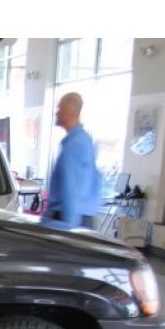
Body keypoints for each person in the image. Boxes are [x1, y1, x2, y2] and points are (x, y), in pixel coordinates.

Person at [45, 92, 102, 229]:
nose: (57, 113)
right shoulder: (85, 140)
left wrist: (69, 229)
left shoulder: (73, 145)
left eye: (59, 109)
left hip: (69, 218)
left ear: (68, 111)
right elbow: (97, 179)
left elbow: (71, 188)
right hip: (83, 217)